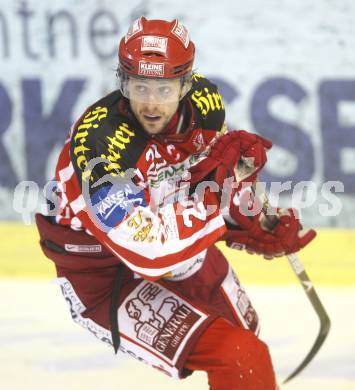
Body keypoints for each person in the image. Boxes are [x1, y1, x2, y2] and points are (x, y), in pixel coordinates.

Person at [35, 17, 316, 389]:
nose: (151, 104)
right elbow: (147, 252)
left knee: (246, 334)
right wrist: (218, 199)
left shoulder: (205, 105)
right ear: (123, 82)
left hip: (170, 236)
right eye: (140, 87)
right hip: (104, 273)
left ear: (185, 83)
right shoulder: (98, 148)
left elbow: (202, 182)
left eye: (164, 88)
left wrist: (252, 220)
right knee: (240, 356)